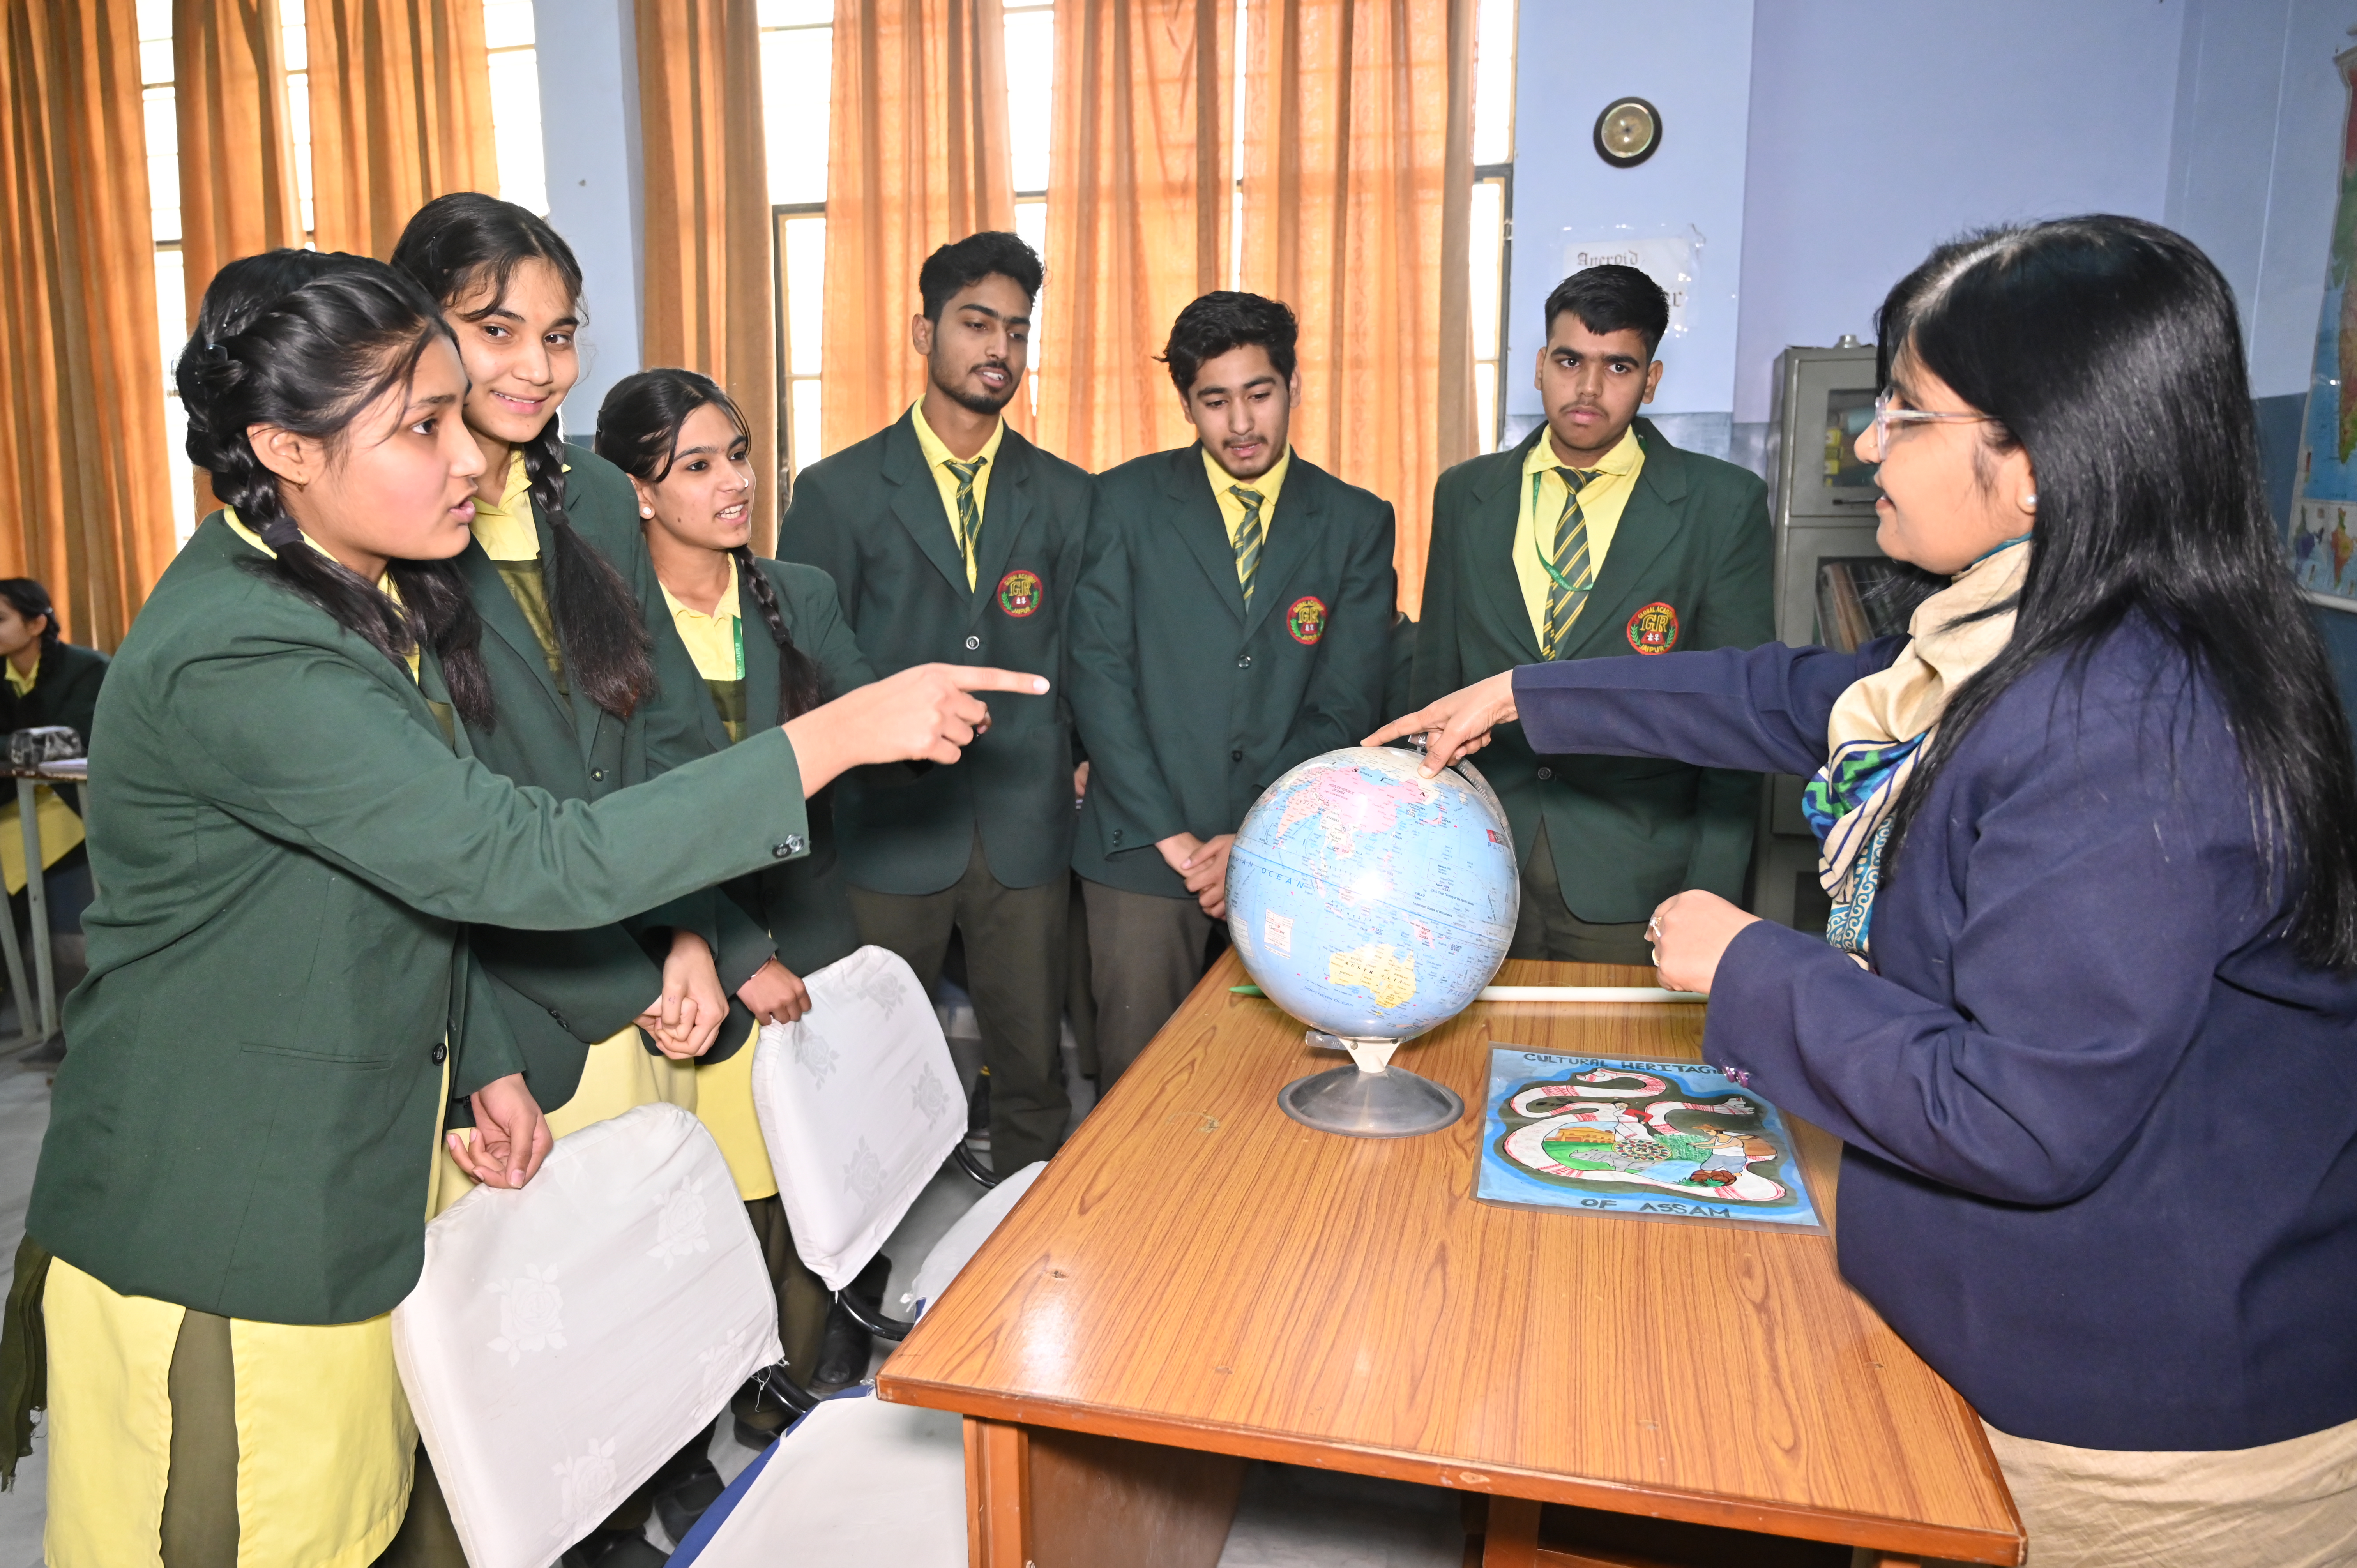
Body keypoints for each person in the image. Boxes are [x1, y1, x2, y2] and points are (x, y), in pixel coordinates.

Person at [9, 255, 1037, 1568]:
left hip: (338, 1178)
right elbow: (519, 857)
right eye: (421, 427)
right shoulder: (247, 648)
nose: (469, 460)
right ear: (285, 448)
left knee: (351, 1519)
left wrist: (473, 1060)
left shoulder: (350, 593)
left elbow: (387, 887)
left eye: (460, 414)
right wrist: (830, 737)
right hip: (225, 1225)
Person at [1375, 216, 2357, 1567]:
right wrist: (1519, 692)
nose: (1864, 445)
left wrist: (1748, 964)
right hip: (2022, 1325)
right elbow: (1792, 694)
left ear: (2035, 461)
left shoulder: (2127, 721)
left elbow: (2018, 1113)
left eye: (1904, 410)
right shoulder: (2013, 635)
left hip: (2153, 1425)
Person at [597, 366, 874, 1450]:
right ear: (638, 491)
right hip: (679, 938)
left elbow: (860, 722)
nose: (736, 482)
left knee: (804, 1182)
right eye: (699, 465)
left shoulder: (799, 592)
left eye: (741, 455)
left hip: (808, 917)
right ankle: (683, 1418)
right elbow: (629, 816)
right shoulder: (606, 622)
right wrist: (730, 946)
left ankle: (782, 1398)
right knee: (698, 1200)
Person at [776, 231, 1094, 1175]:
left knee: (1033, 1069)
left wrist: (1083, 756)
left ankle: (1028, 1229)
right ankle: (867, 1243)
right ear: (925, 332)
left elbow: (1088, 652)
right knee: (869, 1065)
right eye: (976, 323)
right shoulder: (836, 492)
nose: (999, 348)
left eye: (1017, 331)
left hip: (1025, 824)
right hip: (888, 828)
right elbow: (803, 671)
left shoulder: (1070, 497)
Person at [1069, 291, 1394, 1083]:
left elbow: (1347, 702)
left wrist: (1253, 835)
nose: (1241, 423)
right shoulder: (1119, 502)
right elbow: (1099, 677)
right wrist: (1175, 838)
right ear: (1187, 405)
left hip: (1293, 850)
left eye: (1259, 393)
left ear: (1293, 385)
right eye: (1215, 401)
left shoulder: (1355, 520)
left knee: (1283, 1083)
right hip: (1144, 849)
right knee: (1137, 1086)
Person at [1409, 264, 1771, 965]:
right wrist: (1417, 855)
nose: (1588, 388)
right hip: (1474, 869)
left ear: (1651, 380)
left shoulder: (1721, 505)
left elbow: (1735, 719)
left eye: (1618, 367)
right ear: (1539, 366)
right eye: (1570, 361)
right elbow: (1433, 686)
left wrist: (1712, 896)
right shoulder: (1465, 494)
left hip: (1638, 882)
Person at [0, 577, 106, 931]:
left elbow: (77, 742)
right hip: (15, 798)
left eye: (1, 619)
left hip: (73, 800)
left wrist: (15, 747)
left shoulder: (88, 668)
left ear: (36, 624)